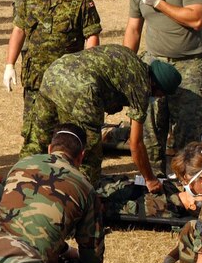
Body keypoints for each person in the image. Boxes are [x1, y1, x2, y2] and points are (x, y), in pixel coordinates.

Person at [21, 43, 181, 189]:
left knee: (38, 139)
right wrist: (150, 179)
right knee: (88, 155)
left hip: (53, 73)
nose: (158, 99)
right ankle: (81, 201)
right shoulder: (142, 86)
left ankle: (19, 185)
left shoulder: (131, 58)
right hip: (81, 89)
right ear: (157, 86)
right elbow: (136, 144)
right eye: (160, 95)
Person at [3, 0, 101, 148]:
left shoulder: (81, 0)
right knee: (34, 134)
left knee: (66, 134)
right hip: (37, 78)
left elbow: (91, 36)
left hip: (66, 80)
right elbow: (19, 31)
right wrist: (9, 64)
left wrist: (88, 70)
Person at [124, 0, 202, 175]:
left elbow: (197, 19)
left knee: (187, 131)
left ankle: (189, 183)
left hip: (189, 63)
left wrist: (159, 3)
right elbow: (133, 28)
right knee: (150, 128)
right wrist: (126, 66)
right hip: (155, 62)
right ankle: (154, 182)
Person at [0, 124, 104, 263]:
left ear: (49, 148)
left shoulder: (21, 164)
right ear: (81, 156)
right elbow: (92, 259)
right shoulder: (85, 187)